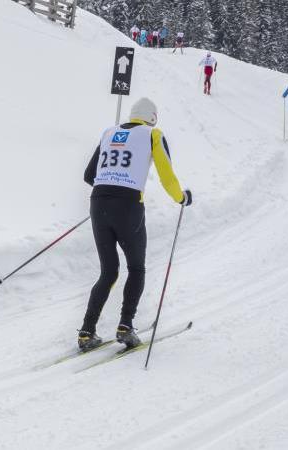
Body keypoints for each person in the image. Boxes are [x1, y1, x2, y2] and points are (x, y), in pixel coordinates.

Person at [78, 98, 190, 352]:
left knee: (108, 272)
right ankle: (125, 326)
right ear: (152, 117)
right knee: (136, 268)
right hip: (128, 206)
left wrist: (107, 189)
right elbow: (166, 174)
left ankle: (86, 331)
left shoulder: (109, 132)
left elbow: (88, 175)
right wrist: (181, 197)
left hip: (99, 202)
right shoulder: (153, 134)